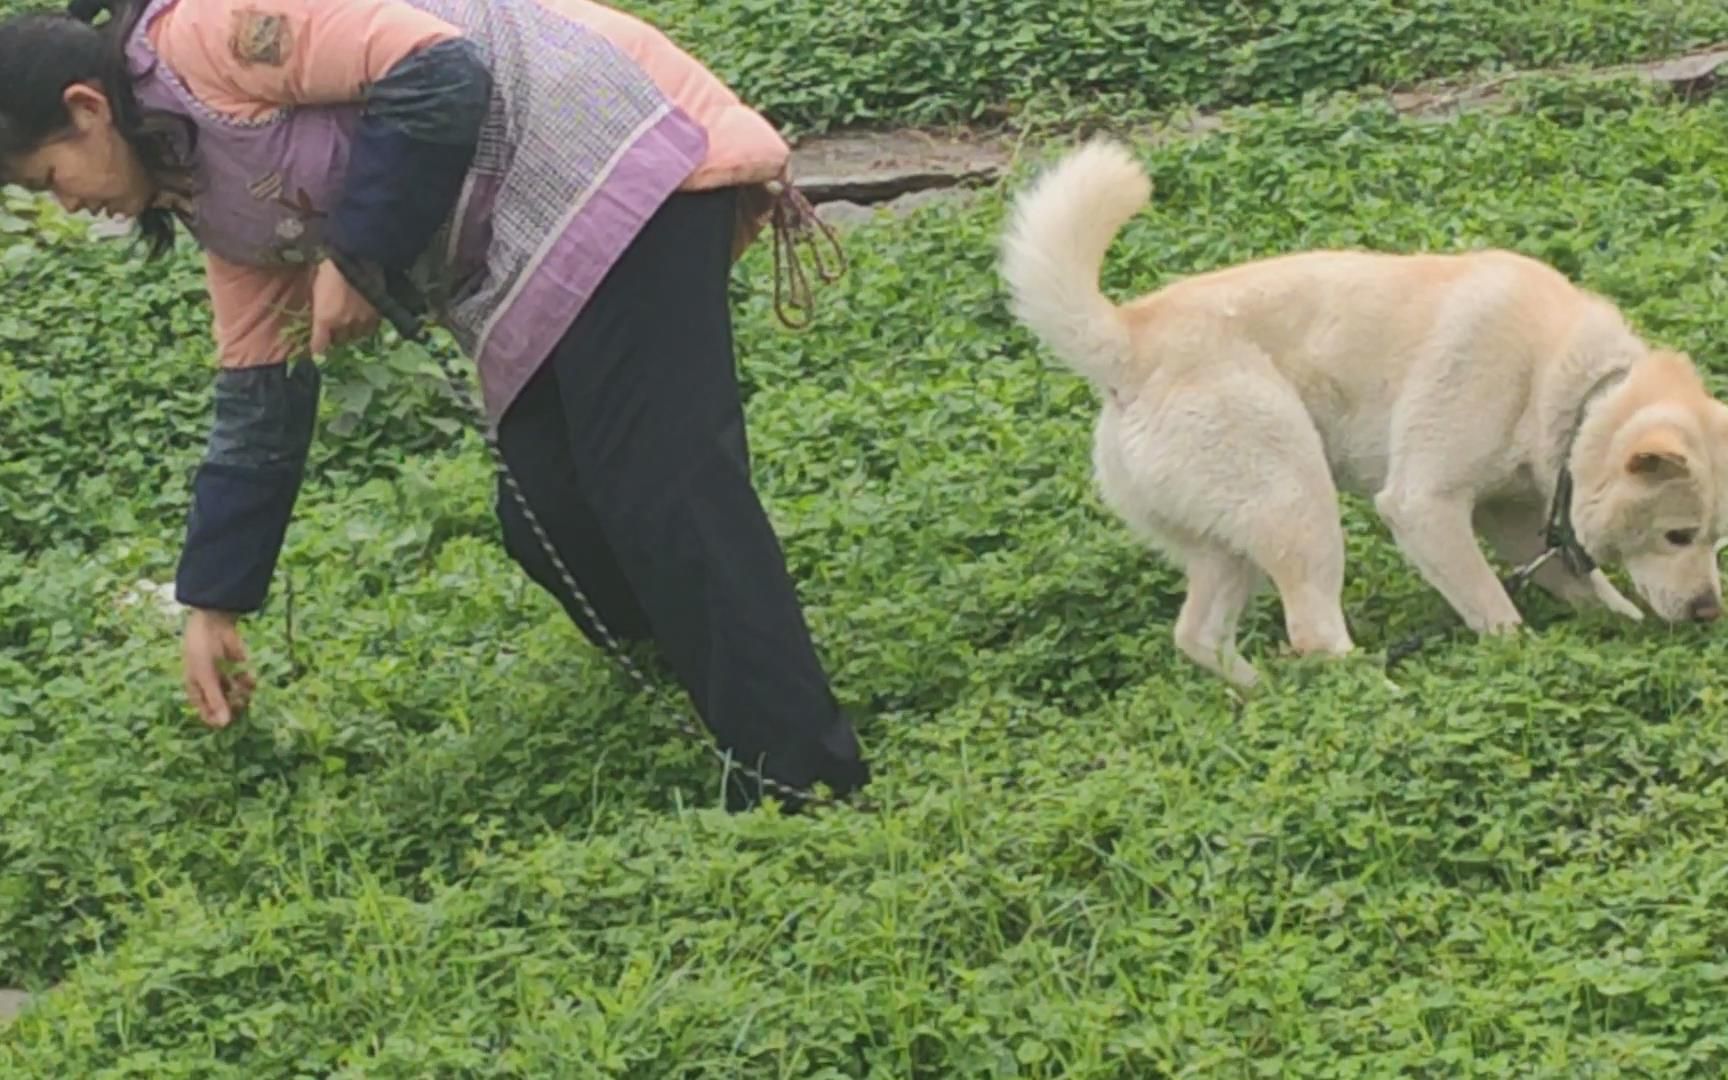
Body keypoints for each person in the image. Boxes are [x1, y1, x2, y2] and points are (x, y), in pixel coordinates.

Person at [0, 0, 871, 810]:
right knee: (550, 511)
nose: (69, 203)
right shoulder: (206, 191)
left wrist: (360, 255)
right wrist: (212, 604)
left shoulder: (210, 35)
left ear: (87, 107)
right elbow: (260, 397)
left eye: (48, 178)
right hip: (526, 237)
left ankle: (798, 775)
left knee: (657, 483)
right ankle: (711, 667)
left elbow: (438, 69)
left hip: (602, 136)